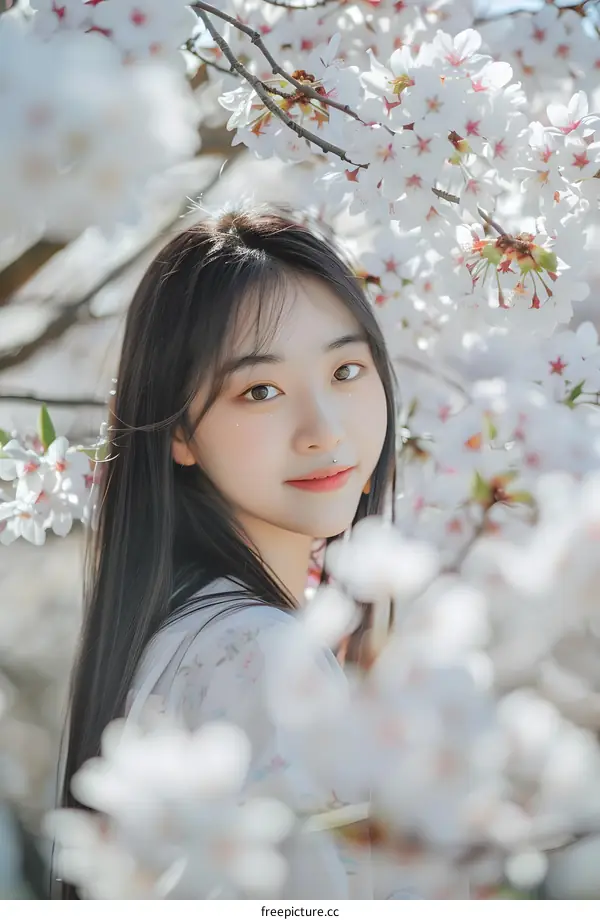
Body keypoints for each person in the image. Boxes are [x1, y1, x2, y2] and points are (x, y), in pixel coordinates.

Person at [56, 205, 404, 899]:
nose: (323, 430)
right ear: (178, 431)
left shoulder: (186, 636)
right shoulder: (265, 651)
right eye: (261, 389)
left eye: (345, 371)